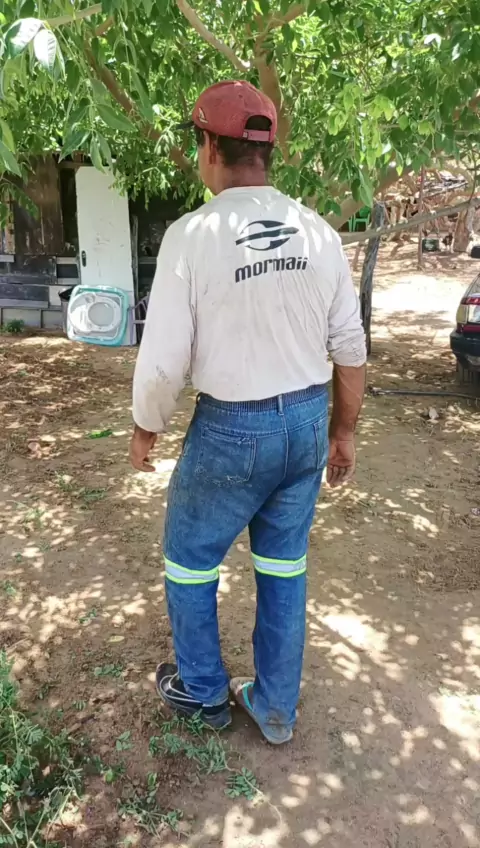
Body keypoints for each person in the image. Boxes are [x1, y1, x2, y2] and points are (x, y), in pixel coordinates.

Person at [130, 80, 366, 745]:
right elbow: (350, 348)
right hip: (307, 423)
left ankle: (205, 694)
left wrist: (146, 427)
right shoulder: (318, 233)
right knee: (284, 565)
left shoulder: (192, 236)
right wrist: (343, 432)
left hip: (232, 429)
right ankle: (275, 707)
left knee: (189, 558)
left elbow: (163, 360)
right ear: (267, 152)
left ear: (209, 147)